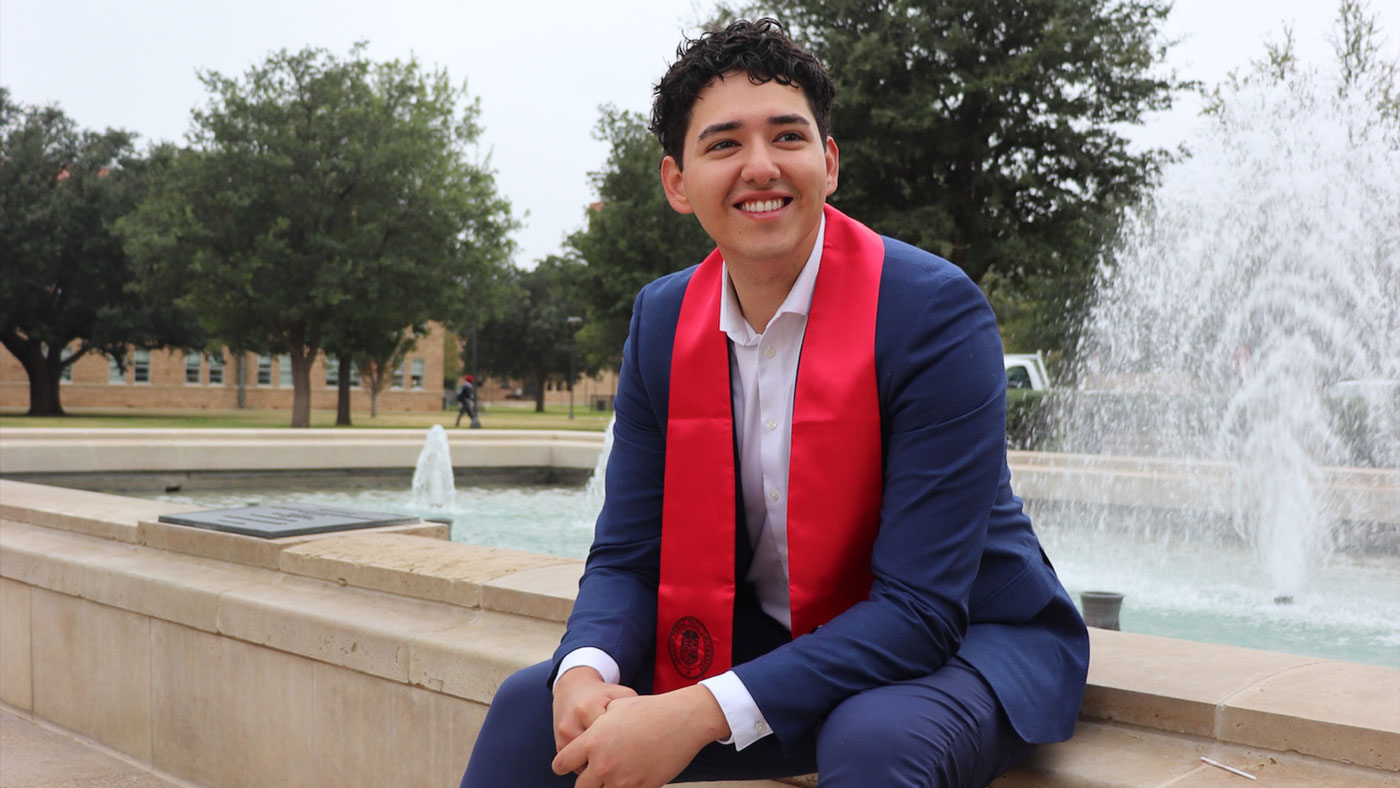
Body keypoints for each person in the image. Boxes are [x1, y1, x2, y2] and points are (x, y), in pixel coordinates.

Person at [459, 18, 1088, 788]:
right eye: (724, 144)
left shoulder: (931, 312)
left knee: (874, 739)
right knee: (534, 708)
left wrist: (696, 712)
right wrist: (584, 672)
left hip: (965, 637)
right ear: (678, 183)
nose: (760, 166)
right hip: (780, 635)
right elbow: (627, 555)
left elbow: (921, 609)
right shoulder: (662, 321)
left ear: (827, 162)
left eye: (787, 137)